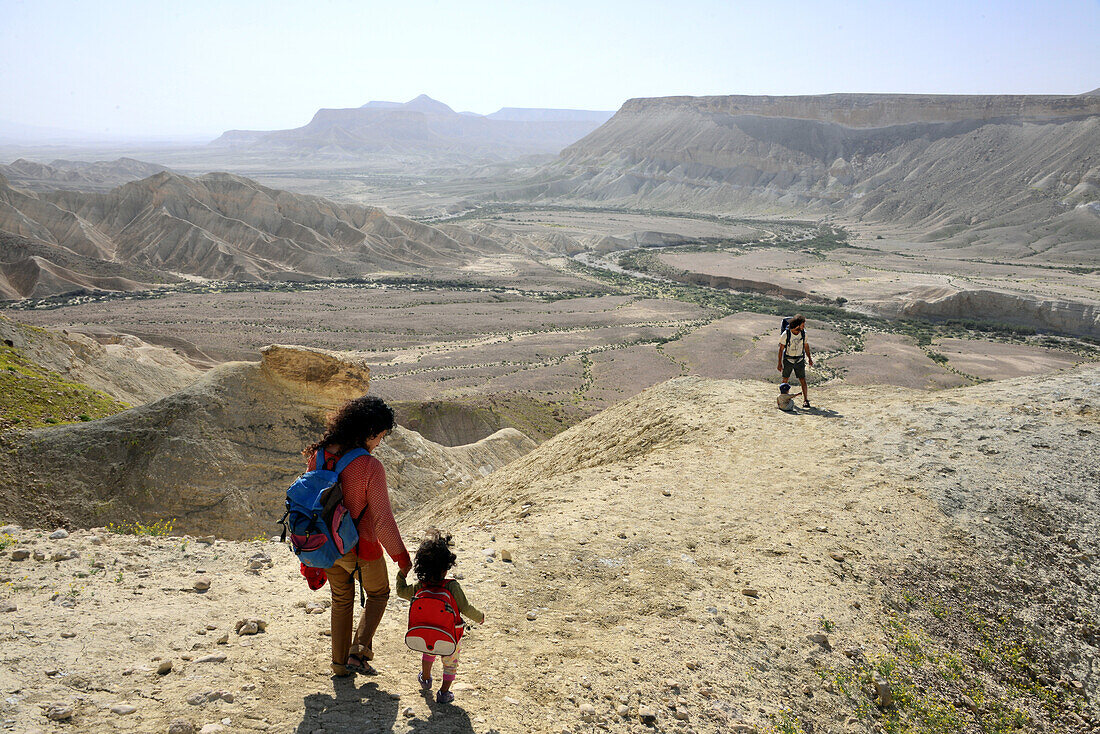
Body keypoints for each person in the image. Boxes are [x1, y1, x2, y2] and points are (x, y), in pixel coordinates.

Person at [303, 395, 413, 677]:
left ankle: (339, 665)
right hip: (359, 548)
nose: (379, 444)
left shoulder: (320, 454)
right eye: (381, 437)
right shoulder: (369, 466)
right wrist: (401, 557)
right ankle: (359, 652)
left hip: (325, 546)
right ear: (371, 431)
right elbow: (382, 520)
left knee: (341, 600)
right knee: (379, 594)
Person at [397, 530, 485, 704]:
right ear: (446, 567)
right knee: (450, 663)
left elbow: (400, 591)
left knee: (428, 652)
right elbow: (465, 608)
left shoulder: (420, 586)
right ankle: (444, 692)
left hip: (425, 632)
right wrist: (480, 617)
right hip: (450, 634)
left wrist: (401, 574)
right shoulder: (451, 586)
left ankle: (426, 678)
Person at [777, 314, 813, 408]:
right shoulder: (786, 334)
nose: (804, 326)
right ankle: (783, 399)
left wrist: (809, 358)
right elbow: (781, 349)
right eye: (803, 324)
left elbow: (806, 345)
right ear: (798, 324)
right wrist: (779, 363)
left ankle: (805, 400)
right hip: (788, 359)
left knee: (802, 380)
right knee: (785, 379)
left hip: (799, 359)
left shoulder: (804, 333)